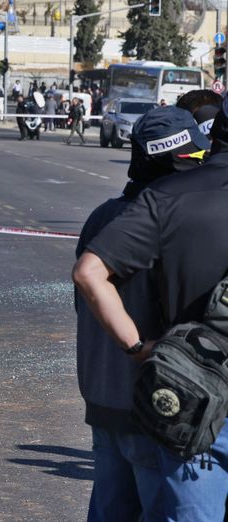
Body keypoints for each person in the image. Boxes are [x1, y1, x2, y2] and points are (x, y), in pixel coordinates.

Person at [73, 100, 228, 521]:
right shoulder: (163, 218)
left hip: (103, 395)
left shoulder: (102, 216)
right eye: (194, 158)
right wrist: (141, 346)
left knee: (109, 507)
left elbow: (84, 301)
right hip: (157, 401)